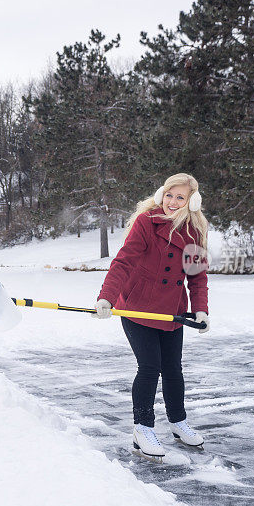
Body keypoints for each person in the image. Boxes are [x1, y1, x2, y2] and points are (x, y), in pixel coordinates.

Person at [93, 173, 210, 461]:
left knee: (173, 369)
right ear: (161, 195)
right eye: (169, 195)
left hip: (172, 311)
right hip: (137, 307)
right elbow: (124, 261)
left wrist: (201, 309)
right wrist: (107, 297)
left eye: (180, 197)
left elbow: (197, 278)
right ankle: (142, 429)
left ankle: (178, 422)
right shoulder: (147, 223)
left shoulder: (194, 233)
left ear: (191, 202)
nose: (173, 201)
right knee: (150, 367)